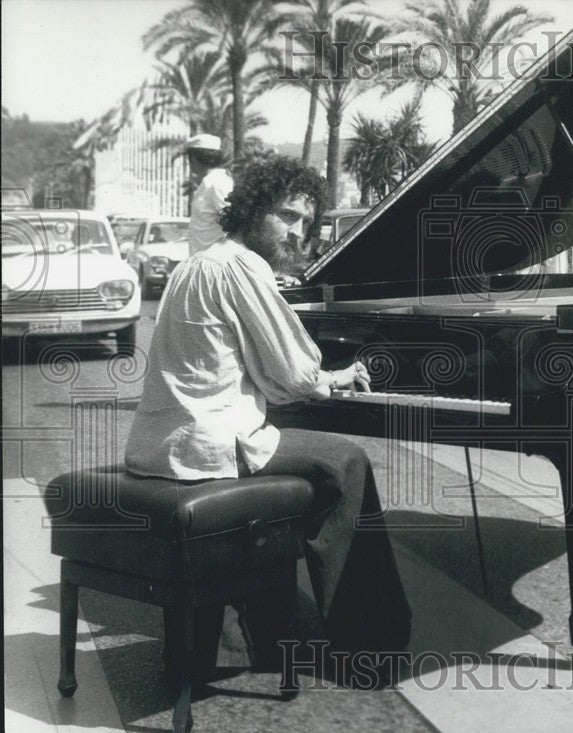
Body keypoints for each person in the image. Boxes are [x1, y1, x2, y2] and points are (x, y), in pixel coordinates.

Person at [125, 156, 411, 686]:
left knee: (310, 458)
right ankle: (369, 647)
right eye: (287, 216)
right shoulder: (240, 268)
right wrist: (339, 376)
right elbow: (295, 373)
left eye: (307, 221)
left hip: (160, 444)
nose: (299, 232)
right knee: (346, 464)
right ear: (254, 210)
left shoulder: (197, 263)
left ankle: (249, 641)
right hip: (211, 444)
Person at [185, 133, 233, 254]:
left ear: (194, 159)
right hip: (200, 260)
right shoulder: (208, 183)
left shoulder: (217, 183)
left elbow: (234, 222)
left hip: (214, 262)